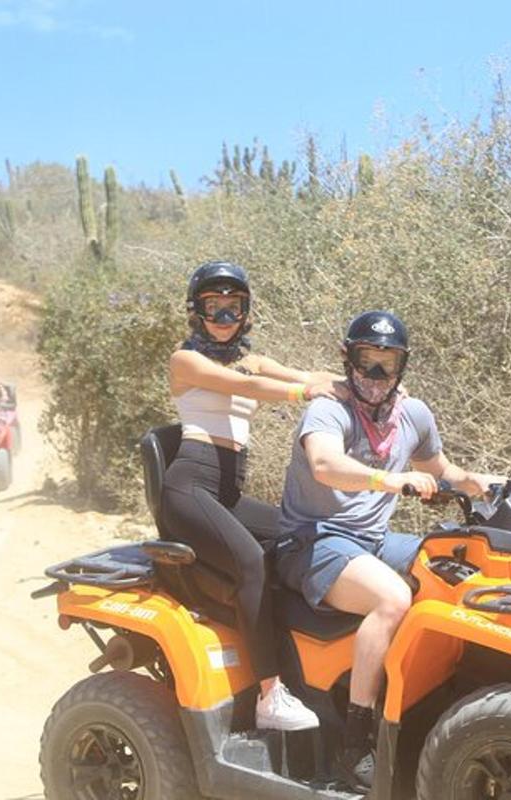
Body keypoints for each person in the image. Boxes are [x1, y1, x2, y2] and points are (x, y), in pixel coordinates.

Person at [275, 310, 506, 789]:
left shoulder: (413, 415)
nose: (376, 376)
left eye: (388, 363)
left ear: (403, 365)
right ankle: (356, 740)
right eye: (367, 362)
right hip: (311, 541)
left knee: (457, 565)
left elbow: (443, 468)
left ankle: (444, 701)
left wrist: (479, 482)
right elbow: (325, 464)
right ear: (348, 359)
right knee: (392, 598)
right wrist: (389, 479)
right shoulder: (328, 410)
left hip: (373, 541)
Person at [162, 260, 347, 732]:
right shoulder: (186, 360)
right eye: (213, 308)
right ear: (195, 312)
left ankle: (311, 663)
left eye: (233, 308)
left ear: (245, 314)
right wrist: (303, 394)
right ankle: (270, 695)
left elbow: (304, 373)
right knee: (250, 561)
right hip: (190, 488)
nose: (223, 318)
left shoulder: (252, 359)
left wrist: (370, 388)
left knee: (301, 532)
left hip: (228, 492)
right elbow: (246, 387)